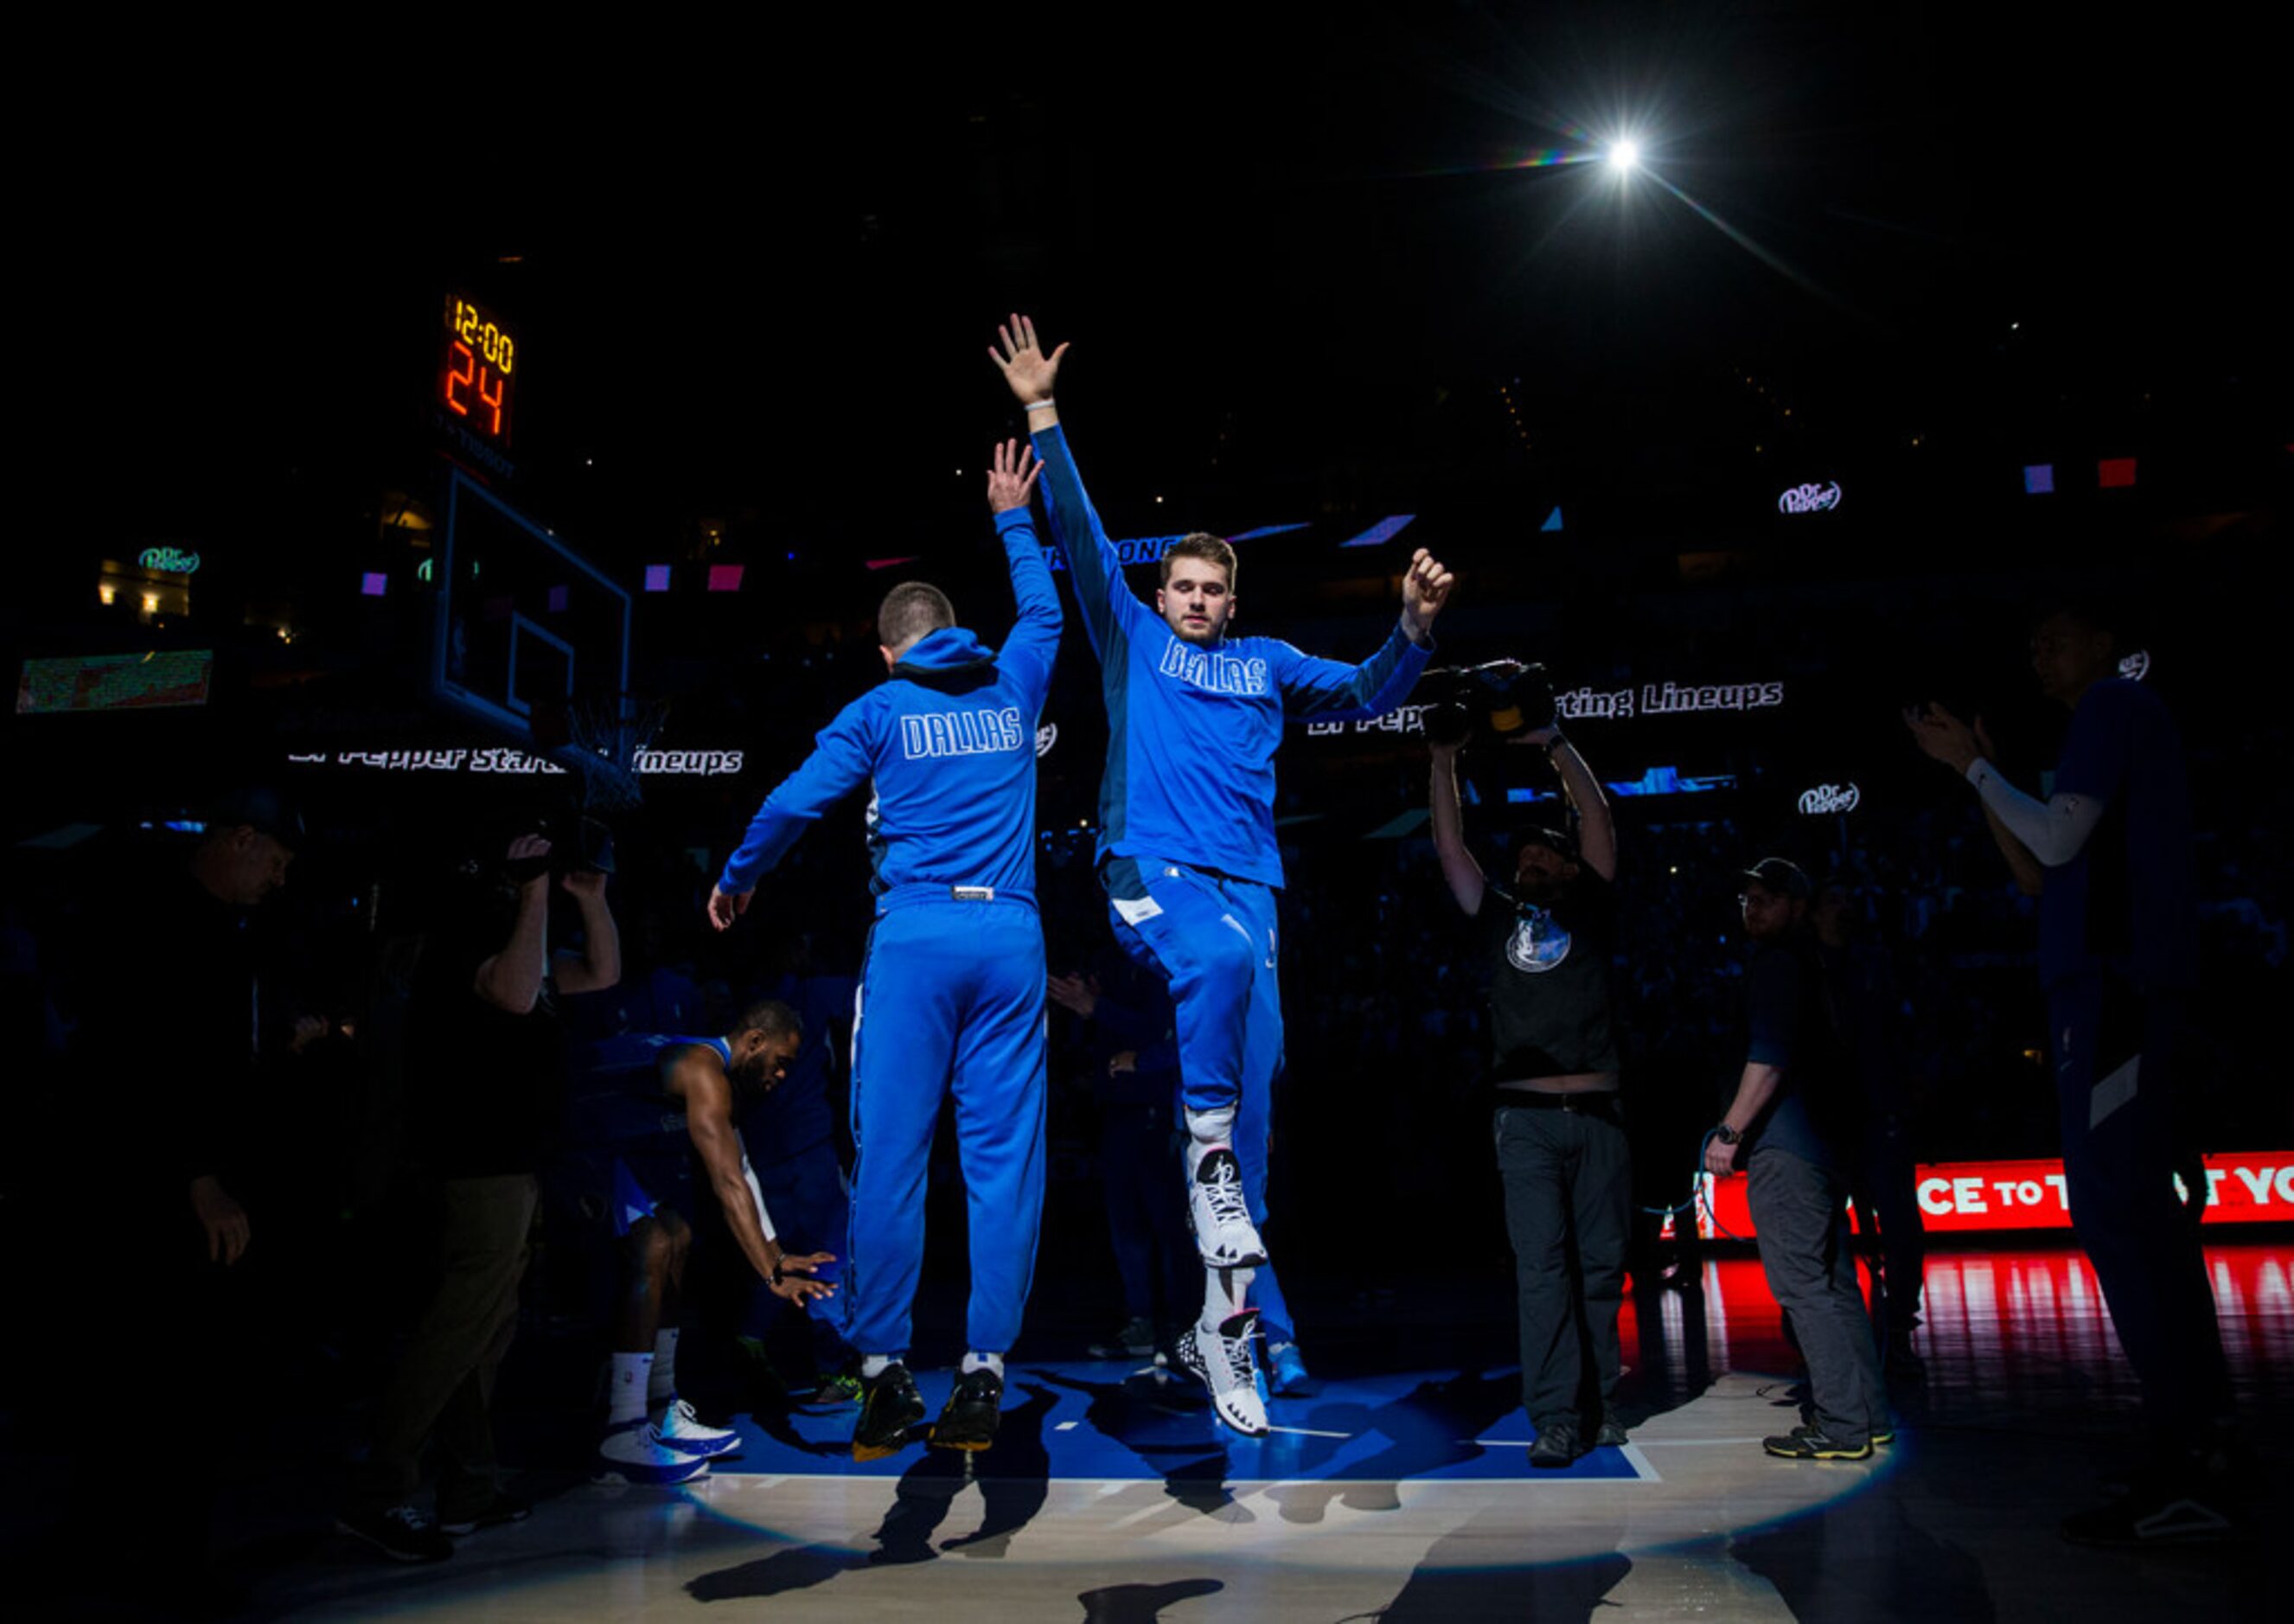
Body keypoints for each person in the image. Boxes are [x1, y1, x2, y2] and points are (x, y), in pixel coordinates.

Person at [993, 314, 1454, 1435]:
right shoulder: (1131, 640)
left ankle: (1235, 1325)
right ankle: (1197, 1151)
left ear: (1232, 602)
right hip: (1150, 866)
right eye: (1182, 586)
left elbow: (1367, 694)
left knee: (1249, 1139)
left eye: (1211, 589)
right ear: (1160, 597)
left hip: (1253, 894)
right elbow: (1089, 533)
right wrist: (1043, 413)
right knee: (1203, 977)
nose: (1194, 599)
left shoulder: (1266, 664)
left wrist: (1412, 627)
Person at [707, 440, 1058, 1461]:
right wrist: (1010, 518)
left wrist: (738, 875)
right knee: (1003, 1166)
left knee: (893, 1163)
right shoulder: (1013, 679)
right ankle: (987, 1371)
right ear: (952, 633)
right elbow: (1045, 614)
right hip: (1010, 938)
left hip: (913, 944)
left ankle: (885, 1371)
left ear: (887, 650)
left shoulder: (879, 708)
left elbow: (788, 803)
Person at [1907, 602, 2237, 1544]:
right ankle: (2198, 1445)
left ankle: (2193, 1460)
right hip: (2110, 995)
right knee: (2139, 1219)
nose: (2035, 651)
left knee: (2119, 1216)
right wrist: (1976, 773)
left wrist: (1968, 765)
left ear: (2103, 640)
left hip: (2115, 994)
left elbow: (2051, 844)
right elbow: (2038, 875)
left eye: (2053, 635)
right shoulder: (2106, 731)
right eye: (2030, 639)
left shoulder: (2112, 707)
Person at [338, 831, 620, 1562]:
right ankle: (380, 1489)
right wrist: (531, 894)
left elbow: (599, 972)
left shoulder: (502, 942)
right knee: (454, 1331)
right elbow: (517, 993)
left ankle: (469, 1484)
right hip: (477, 1167)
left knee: (482, 1333)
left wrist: (589, 900)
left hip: (512, 1165)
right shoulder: (459, 944)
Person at [1429, 722, 1630, 1467]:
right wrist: (1443, 759)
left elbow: (1599, 818)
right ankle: (1553, 1416)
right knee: (1542, 1271)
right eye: (1524, 855)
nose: (1531, 859)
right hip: (1524, 1119)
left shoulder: (1593, 906)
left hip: (1600, 1115)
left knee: (1602, 1268)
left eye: (1546, 851)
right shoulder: (1497, 918)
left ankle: (1602, 1404)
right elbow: (1452, 848)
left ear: (1571, 867)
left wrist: (1555, 745)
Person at [597, 1001, 835, 1483]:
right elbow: (727, 1184)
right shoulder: (705, 1069)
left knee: (678, 1239)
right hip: (581, 1137)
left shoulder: (722, 1080)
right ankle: (622, 1426)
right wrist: (768, 1272)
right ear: (753, 1042)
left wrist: (777, 1255)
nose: (783, 1075)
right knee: (654, 1247)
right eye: (781, 1062)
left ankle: (661, 1409)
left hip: (621, 1144)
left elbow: (741, 1169)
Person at [1705, 857, 1887, 1461]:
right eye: (1747, 898)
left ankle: (1840, 1426)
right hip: (1824, 1147)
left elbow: (1769, 1057)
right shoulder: (1817, 966)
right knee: (1833, 1285)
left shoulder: (1777, 966)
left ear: (1798, 907)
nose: (1752, 907)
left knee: (1805, 1289)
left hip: (1788, 1149)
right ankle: (1866, 1415)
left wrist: (1729, 1131)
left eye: (1767, 898)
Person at [1810, 876, 1926, 1371]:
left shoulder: (1874, 966)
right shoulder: (1805, 971)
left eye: (1848, 899)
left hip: (1881, 1116)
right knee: (1825, 1232)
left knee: (1900, 1227)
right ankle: (1835, 1337)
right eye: (1834, 899)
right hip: (1829, 1123)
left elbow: (1904, 1039)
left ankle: (1898, 1323)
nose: (1845, 907)